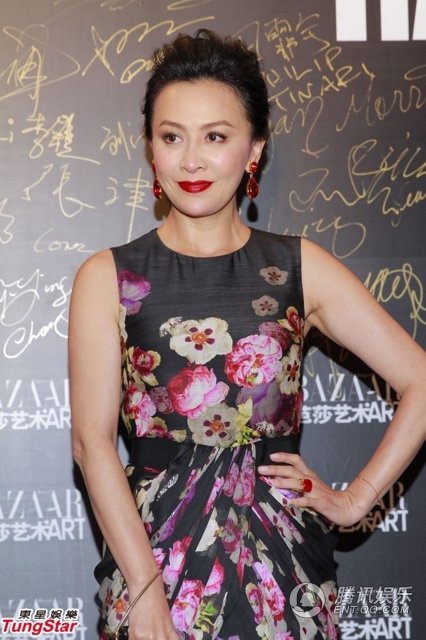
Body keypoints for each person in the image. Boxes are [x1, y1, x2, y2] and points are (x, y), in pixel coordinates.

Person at [69, 29, 426, 640]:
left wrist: (355, 500)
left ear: (254, 149)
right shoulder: (109, 277)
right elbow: (91, 444)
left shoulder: (299, 267)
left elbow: (419, 379)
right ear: (151, 147)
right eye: (171, 136)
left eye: (216, 137)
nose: (191, 160)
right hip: (151, 558)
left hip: (282, 563)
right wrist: (145, 589)